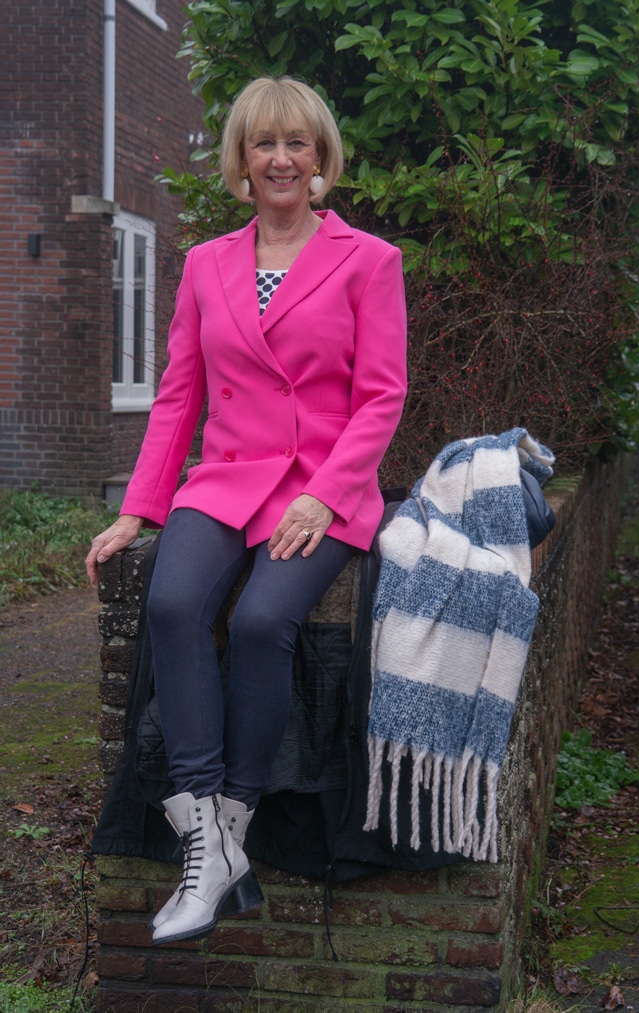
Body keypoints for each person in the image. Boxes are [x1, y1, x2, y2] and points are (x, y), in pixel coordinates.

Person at [86, 76, 407, 946]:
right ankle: (211, 836)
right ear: (240, 159)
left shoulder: (368, 261)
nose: (279, 158)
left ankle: (229, 819)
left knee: (265, 619)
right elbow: (178, 396)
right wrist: (140, 512)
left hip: (318, 485)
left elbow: (380, 398)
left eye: (296, 143)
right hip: (226, 477)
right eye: (263, 143)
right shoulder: (204, 264)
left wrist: (328, 493)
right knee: (173, 601)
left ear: (320, 159)